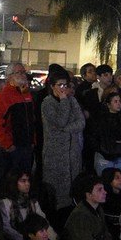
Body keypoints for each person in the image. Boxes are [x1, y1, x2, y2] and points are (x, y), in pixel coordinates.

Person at [40, 75, 86, 210]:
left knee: (73, 184)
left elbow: (81, 122)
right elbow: (59, 120)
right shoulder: (47, 103)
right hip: (56, 153)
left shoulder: (73, 100)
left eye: (66, 85)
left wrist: (66, 129)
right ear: (52, 86)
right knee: (57, 188)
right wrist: (64, 101)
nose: (63, 88)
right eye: (60, 85)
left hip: (73, 152)